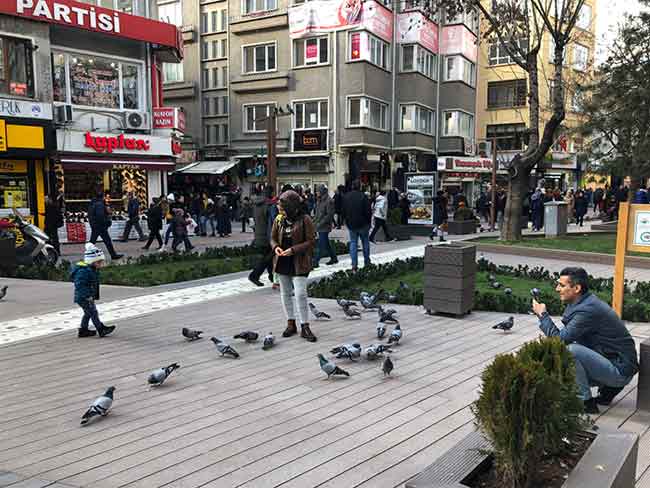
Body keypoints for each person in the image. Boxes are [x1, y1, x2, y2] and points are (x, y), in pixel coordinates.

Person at [532, 267, 639, 414]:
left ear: (576, 288)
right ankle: (608, 390)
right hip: (612, 360)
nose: (557, 289)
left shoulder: (587, 310)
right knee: (561, 366)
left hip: (620, 369)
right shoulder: (582, 302)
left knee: (570, 351)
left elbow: (558, 340)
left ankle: (584, 402)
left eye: (562, 285)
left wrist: (543, 315)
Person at [271, 190, 317, 342]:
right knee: (285, 293)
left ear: (292, 207)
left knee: (300, 293)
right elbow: (272, 238)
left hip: (300, 261)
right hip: (283, 260)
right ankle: (291, 323)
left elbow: (311, 241)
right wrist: (275, 247)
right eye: (279, 208)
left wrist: (293, 250)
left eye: (282, 208)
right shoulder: (279, 220)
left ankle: (305, 325)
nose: (280, 211)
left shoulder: (305, 220)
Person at [71, 243, 115, 338]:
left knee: (88, 313)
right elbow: (80, 285)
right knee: (93, 312)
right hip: (84, 297)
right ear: (92, 261)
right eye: (99, 262)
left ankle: (83, 330)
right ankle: (101, 329)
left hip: (86, 296)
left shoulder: (91, 269)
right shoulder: (84, 271)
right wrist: (87, 296)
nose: (101, 264)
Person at [342, 180, 372, 271]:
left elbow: (343, 211)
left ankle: (354, 265)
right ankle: (367, 262)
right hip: (363, 224)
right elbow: (368, 211)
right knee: (365, 242)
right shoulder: (364, 196)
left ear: (352, 186)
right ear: (360, 187)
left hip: (351, 224)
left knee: (353, 243)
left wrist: (346, 221)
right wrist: (368, 222)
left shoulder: (346, 197)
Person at [248, 186, 275, 287]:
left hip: (258, 233)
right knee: (267, 257)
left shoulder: (255, 204)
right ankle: (254, 276)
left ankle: (272, 276)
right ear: (269, 193)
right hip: (267, 235)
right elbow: (271, 221)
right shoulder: (268, 205)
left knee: (268, 255)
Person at [88, 190, 122, 260]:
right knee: (106, 241)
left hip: (95, 225)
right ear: (102, 197)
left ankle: (113, 255)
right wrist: (106, 222)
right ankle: (113, 255)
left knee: (94, 241)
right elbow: (100, 216)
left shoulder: (93, 203)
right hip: (100, 226)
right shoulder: (99, 204)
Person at [313, 185, 338, 268]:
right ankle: (334, 258)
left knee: (321, 245)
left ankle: (315, 261)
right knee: (326, 244)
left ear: (322, 191)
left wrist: (320, 223)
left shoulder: (329, 201)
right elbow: (317, 214)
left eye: (317, 191)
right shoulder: (319, 200)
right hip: (319, 225)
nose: (316, 193)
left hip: (324, 226)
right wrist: (314, 222)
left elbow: (329, 215)